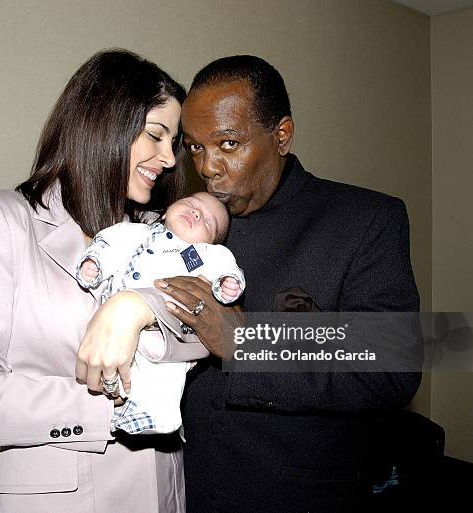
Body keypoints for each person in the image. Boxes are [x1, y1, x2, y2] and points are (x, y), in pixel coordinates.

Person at [148, 56, 422, 512]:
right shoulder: (180, 221)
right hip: (182, 496)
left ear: (281, 135)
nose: (208, 167)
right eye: (194, 148)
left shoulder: (366, 219)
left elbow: (394, 363)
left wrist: (244, 342)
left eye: (228, 144)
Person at [0, 49, 194, 513]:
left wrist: (141, 304)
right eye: (156, 135)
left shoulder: (161, 231)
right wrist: (117, 408)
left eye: (175, 142)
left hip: (163, 496)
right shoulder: (1, 220)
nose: (170, 159)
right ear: (103, 124)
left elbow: (204, 330)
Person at [76, 192, 245, 434]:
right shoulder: (134, 232)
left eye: (208, 222)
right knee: (120, 371)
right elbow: (108, 243)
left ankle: (162, 417)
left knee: (165, 377)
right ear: (166, 211)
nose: (197, 213)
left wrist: (227, 283)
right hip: (113, 327)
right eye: (191, 204)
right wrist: (95, 263)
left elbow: (225, 266)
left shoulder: (204, 254)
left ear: (210, 241)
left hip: (168, 330)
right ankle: (115, 409)